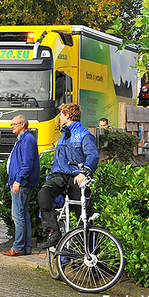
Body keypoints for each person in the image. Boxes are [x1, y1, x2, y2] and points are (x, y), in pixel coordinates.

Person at [39, 103, 99, 249]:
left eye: (61, 114)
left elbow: (93, 156)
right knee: (44, 194)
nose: (59, 117)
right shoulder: (62, 137)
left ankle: (90, 254)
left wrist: (83, 173)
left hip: (76, 178)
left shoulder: (84, 135)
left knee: (84, 217)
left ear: (68, 116)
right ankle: (54, 232)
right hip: (59, 177)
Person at [2, 115, 40, 257]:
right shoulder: (24, 139)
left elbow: (27, 163)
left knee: (18, 215)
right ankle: (25, 247)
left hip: (22, 183)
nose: (11, 126)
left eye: (14, 124)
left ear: (23, 124)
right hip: (21, 182)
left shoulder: (27, 140)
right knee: (23, 214)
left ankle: (18, 246)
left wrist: (18, 180)